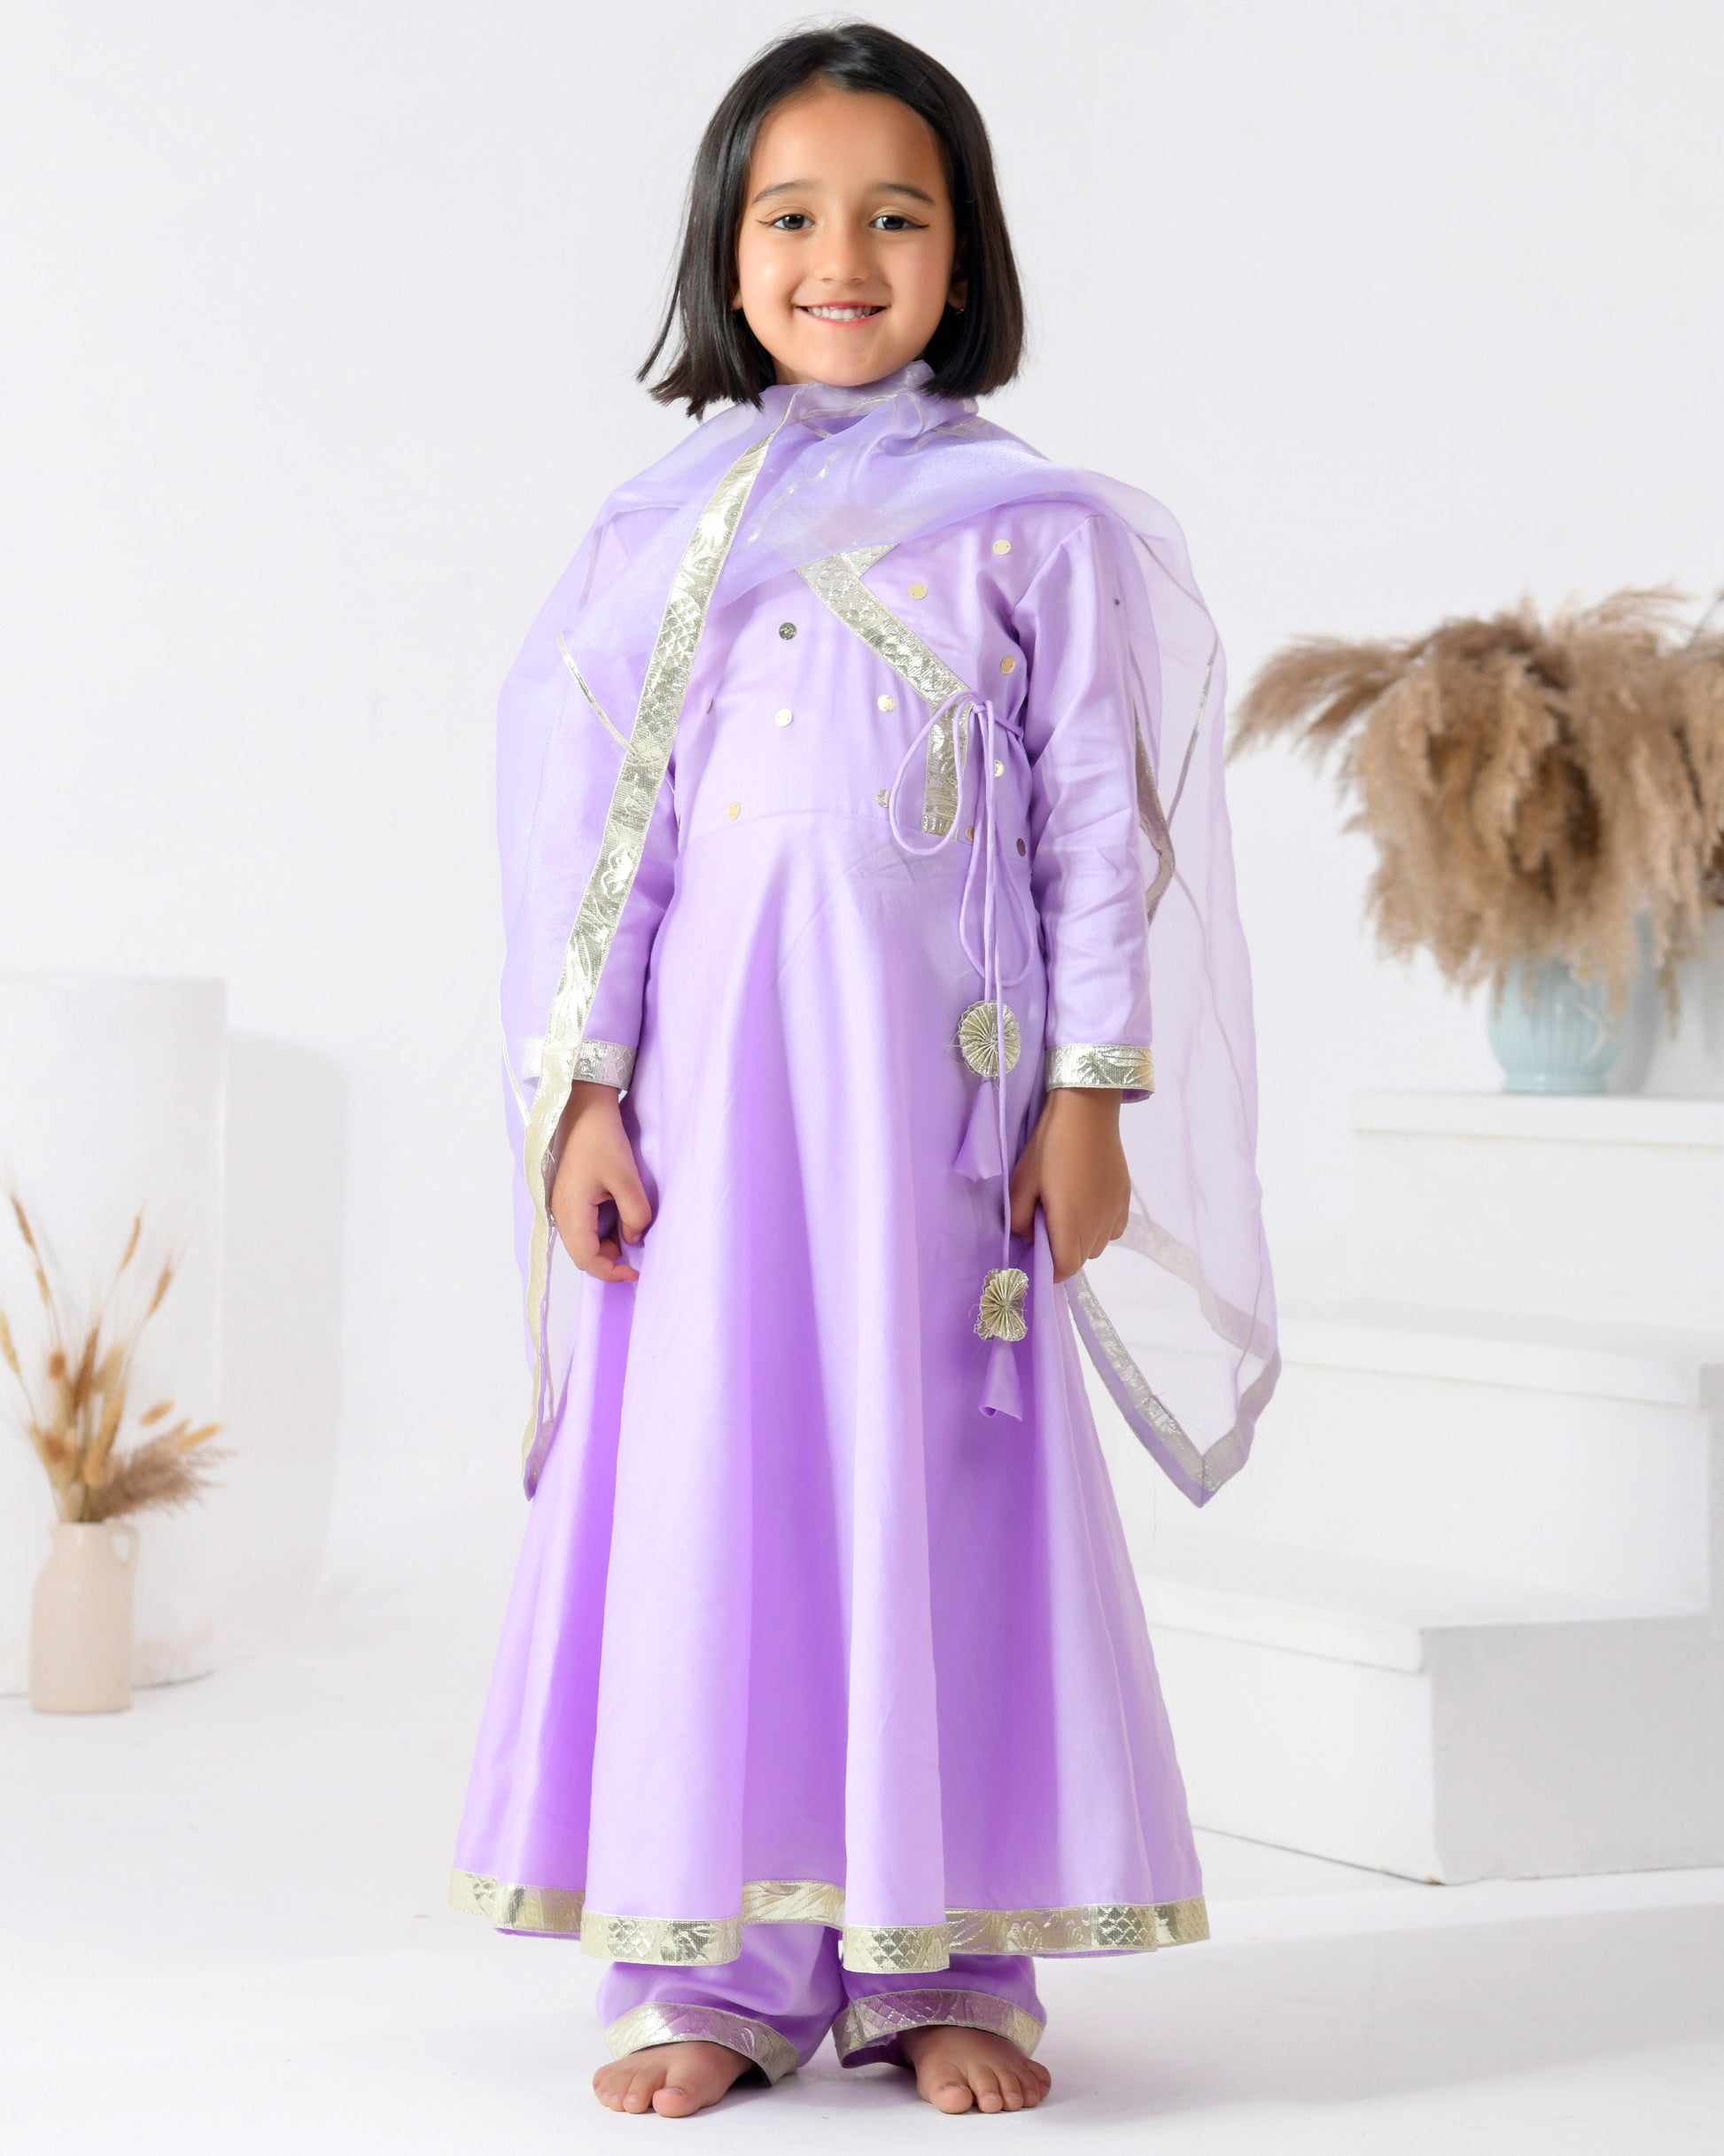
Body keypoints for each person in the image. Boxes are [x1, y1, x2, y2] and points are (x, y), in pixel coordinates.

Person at [450, 19, 1278, 2120]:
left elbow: (1093, 829)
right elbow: (602, 841)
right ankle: (712, 1961)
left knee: (937, 1486)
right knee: (719, 1482)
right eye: (793, 217)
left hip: (939, 1120)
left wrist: (1088, 1094)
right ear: (727, 256)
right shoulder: (665, 534)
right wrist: (584, 1093)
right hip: (715, 1123)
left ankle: (944, 1958)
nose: (842, 258)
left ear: (963, 252)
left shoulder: (1030, 526)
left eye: (895, 216)